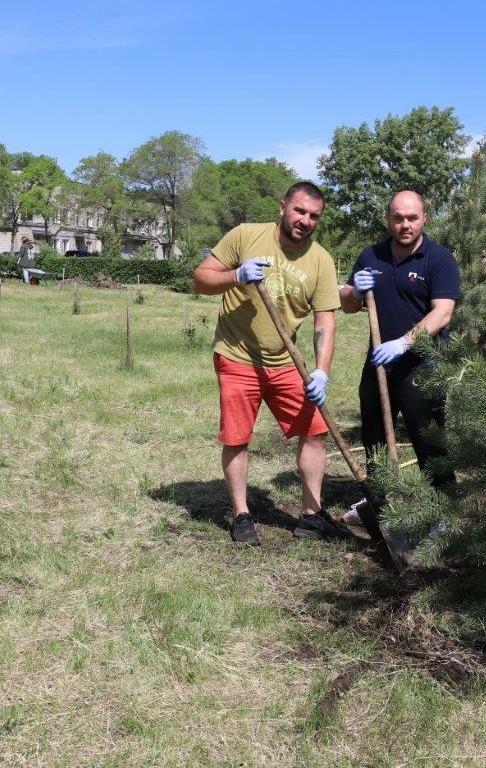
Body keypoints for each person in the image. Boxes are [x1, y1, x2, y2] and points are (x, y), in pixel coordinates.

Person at [192, 181, 343, 546]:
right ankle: (243, 515)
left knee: (315, 430)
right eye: (299, 211)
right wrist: (235, 276)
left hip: (285, 361)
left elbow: (325, 320)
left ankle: (311, 515)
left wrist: (321, 370)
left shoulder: (320, 259)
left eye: (313, 216)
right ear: (282, 207)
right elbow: (200, 280)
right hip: (237, 356)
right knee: (237, 437)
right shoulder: (246, 236)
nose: (305, 220)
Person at [339, 190, 460, 522]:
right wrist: (356, 291)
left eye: (412, 218)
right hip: (379, 363)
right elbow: (348, 306)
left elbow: (443, 313)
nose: (405, 225)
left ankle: (445, 513)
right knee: (375, 438)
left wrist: (404, 343)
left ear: (424, 218)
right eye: (398, 218)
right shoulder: (371, 256)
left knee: (429, 440)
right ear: (388, 219)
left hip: (422, 364)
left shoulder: (438, 259)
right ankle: (382, 508)